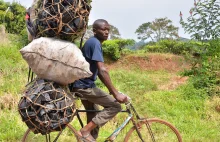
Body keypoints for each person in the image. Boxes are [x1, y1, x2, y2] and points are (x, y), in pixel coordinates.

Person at [69, 19, 128, 142]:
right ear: (94, 31)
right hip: (84, 86)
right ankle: (85, 132)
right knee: (115, 106)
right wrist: (116, 93)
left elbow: (99, 72)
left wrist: (111, 90)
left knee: (94, 112)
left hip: (82, 84)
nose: (106, 32)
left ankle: (90, 139)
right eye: (103, 29)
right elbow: (102, 70)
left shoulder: (93, 42)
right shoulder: (94, 43)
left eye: (108, 30)